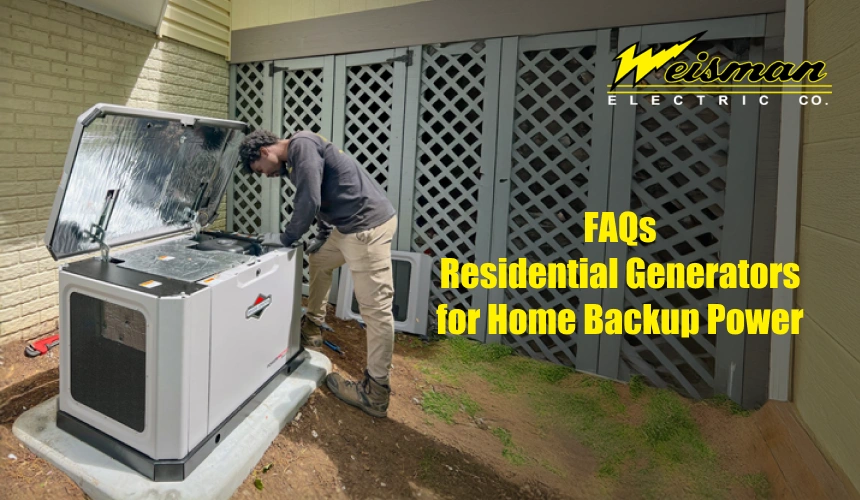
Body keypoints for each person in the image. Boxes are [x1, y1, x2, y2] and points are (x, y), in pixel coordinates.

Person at [238, 129, 397, 418]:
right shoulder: (294, 161)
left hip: (366, 228)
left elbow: (309, 198)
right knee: (320, 259)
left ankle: (375, 392)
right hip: (346, 228)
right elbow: (324, 195)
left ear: (265, 152)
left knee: (375, 309)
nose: (265, 175)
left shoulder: (301, 145)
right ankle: (313, 327)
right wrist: (323, 233)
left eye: (261, 170)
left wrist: (286, 238)